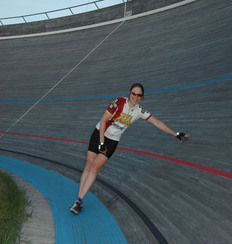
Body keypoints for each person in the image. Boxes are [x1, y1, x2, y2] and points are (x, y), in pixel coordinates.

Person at [70, 83, 190, 214]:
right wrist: (101, 142)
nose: (136, 97)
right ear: (129, 93)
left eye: (139, 95)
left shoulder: (140, 111)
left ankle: (79, 200)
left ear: (142, 97)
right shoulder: (118, 102)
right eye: (134, 93)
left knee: (95, 168)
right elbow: (104, 120)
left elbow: (157, 122)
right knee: (88, 166)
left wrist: (175, 134)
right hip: (100, 133)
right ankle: (78, 200)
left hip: (112, 141)